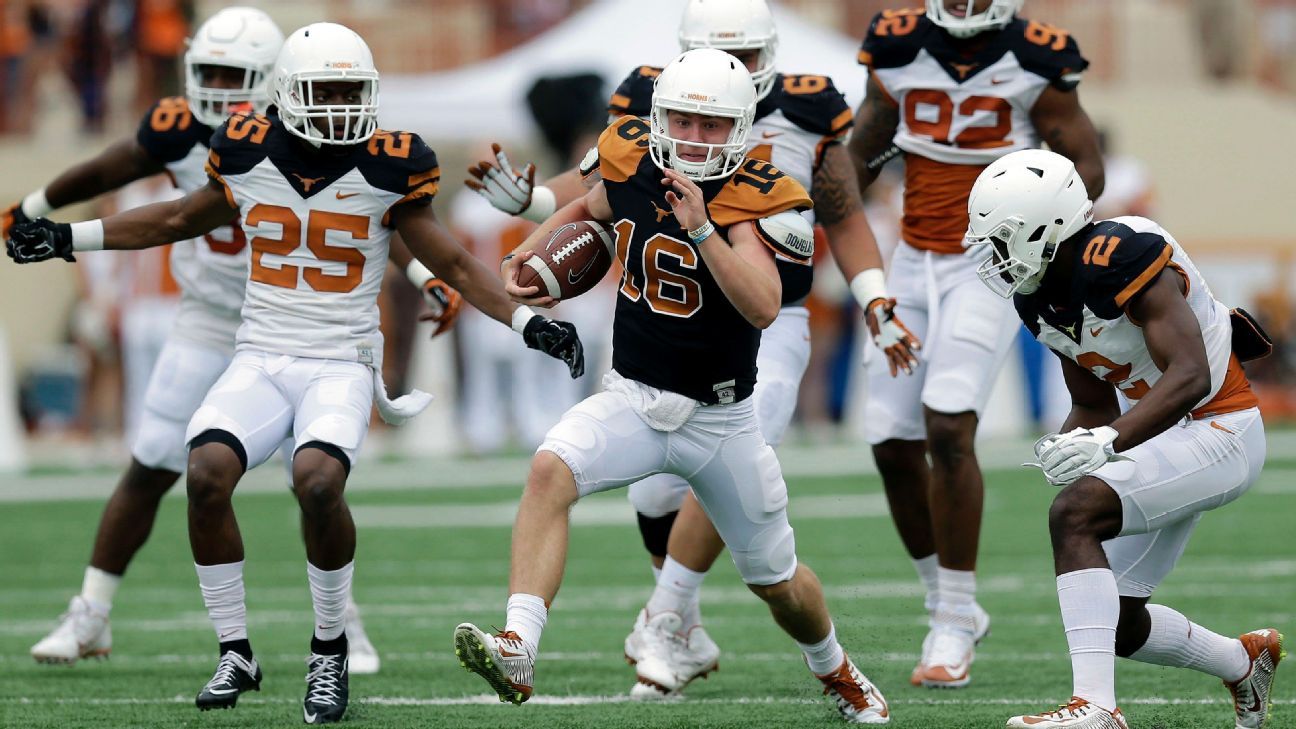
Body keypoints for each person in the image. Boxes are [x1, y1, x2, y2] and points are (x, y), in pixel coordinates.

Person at [8, 22, 584, 724]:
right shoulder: (246, 148)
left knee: (316, 481)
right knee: (204, 472)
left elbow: (454, 262)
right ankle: (235, 649)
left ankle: (331, 646)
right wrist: (69, 235)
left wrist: (530, 322)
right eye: (325, 90)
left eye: (352, 91)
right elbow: (179, 216)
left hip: (338, 358)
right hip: (258, 351)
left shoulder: (391, 163)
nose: (341, 105)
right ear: (286, 94)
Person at [464, 0, 913, 698]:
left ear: (745, 128)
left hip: (720, 418)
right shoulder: (630, 150)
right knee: (550, 471)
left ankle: (836, 667)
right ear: (659, 110)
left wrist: (704, 228)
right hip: (635, 398)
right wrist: (533, 245)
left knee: (779, 582)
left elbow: (767, 303)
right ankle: (520, 643)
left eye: (713, 124)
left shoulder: (768, 192)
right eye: (682, 121)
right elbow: (590, 203)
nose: (695, 137)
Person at [965, 148, 1281, 729]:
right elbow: (1091, 400)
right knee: (1116, 621)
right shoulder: (1036, 297)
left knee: (1075, 515)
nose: (995, 255)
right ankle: (1243, 660)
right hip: (1164, 436)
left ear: (1045, 227)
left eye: (1003, 238)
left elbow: (1192, 373)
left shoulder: (1122, 253)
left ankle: (1097, 709)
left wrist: (1108, 442)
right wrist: (1069, 444)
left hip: (1220, 426)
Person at [848, 0, 1105, 688]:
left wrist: (1052, 252)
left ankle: (954, 617)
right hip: (911, 261)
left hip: (988, 266)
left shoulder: (1036, 56)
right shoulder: (897, 43)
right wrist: (817, 212)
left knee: (949, 423)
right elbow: (864, 151)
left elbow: (1084, 166)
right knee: (890, 442)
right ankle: (947, 599)